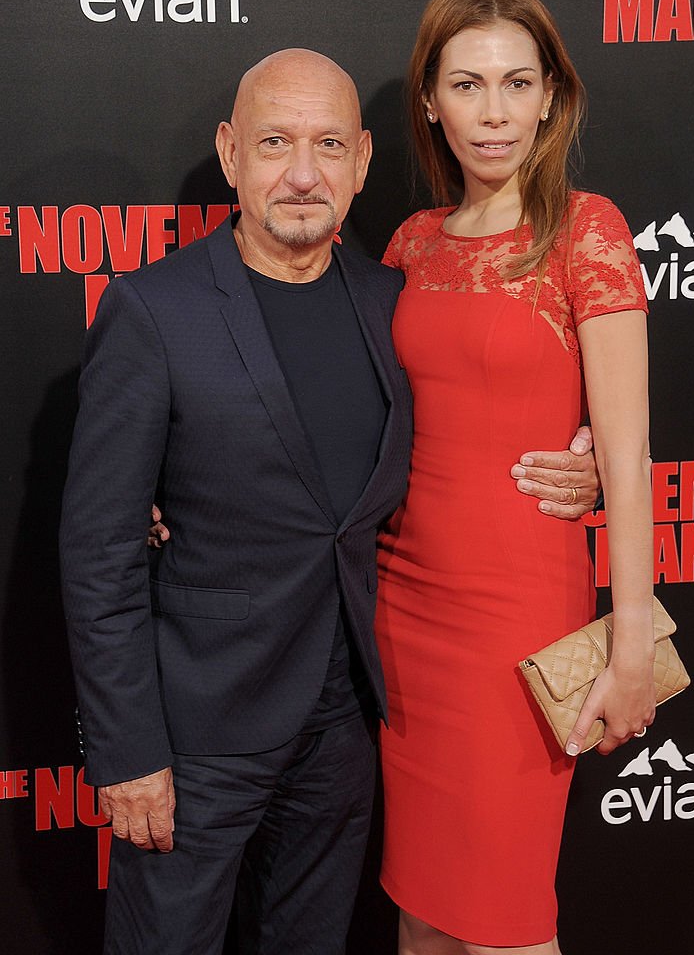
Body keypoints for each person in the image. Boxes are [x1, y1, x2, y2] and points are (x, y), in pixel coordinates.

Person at [60, 48, 600, 955]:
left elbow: (459, 439)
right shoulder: (153, 311)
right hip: (196, 731)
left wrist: (579, 476)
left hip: (347, 722)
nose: (302, 175)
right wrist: (127, 753)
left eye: (325, 147)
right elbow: (97, 549)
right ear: (231, 154)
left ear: (359, 163)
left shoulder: (394, 299)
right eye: (275, 143)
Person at [374, 0, 656, 955]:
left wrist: (629, 644)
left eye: (514, 82)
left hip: (517, 621)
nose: (492, 111)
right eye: (466, 84)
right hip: (403, 613)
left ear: (550, 95)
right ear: (429, 99)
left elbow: (626, 453)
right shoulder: (409, 245)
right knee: (421, 909)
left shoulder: (589, 231)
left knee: (505, 922)